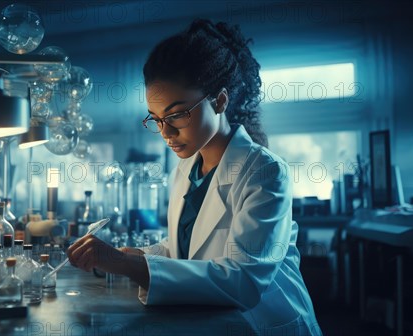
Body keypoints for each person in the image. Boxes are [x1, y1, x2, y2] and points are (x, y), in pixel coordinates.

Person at [67, 19, 322, 335]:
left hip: (265, 324)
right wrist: (123, 256)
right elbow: (184, 251)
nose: (166, 132)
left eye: (177, 115)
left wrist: (125, 265)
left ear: (220, 100)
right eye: (157, 119)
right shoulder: (187, 168)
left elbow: (243, 282)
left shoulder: (264, 172)